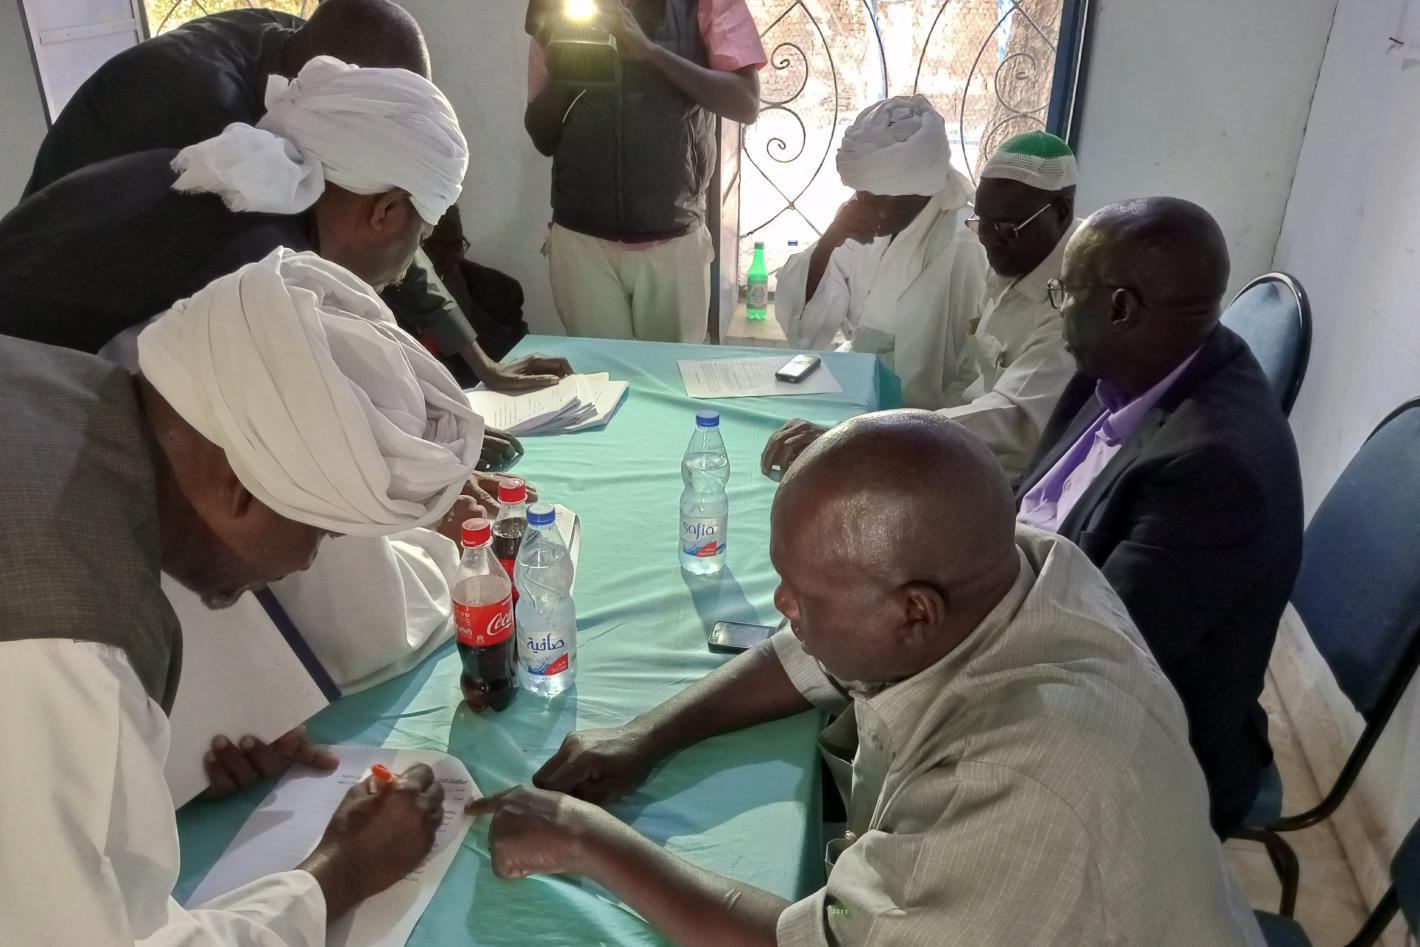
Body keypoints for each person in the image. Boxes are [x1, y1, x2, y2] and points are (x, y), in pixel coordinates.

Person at [469, 411, 1264, 946]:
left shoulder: (1010, 781)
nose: (782, 608)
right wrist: (651, 733)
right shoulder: (1018, 565)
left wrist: (586, 839)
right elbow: (813, 652)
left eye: (801, 596)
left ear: (914, 612)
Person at [0, 248, 482, 944]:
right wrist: (341, 870)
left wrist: (157, 774)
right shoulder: (66, 631)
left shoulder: (58, 382)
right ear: (240, 489)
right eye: (320, 533)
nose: (307, 561)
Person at [20, 0, 566, 396]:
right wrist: (410, 429)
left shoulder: (312, 69)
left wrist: (476, 362)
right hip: (47, 347)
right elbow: (245, 356)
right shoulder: (210, 146)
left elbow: (389, 227)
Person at [1016, 197, 1304, 835]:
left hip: (1135, 744)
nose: (1058, 308)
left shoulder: (1214, 472)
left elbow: (1092, 654)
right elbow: (1036, 498)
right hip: (1054, 631)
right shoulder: (1131, 363)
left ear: (1120, 308)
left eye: (1064, 293)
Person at [764, 129, 1077, 478]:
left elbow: (1011, 418)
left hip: (1010, 473)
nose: (988, 241)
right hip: (947, 433)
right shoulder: (1014, 253)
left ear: (1060, 212)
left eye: (1004, 228)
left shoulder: (1074, 299)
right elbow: (977, 372)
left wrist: (865, 437)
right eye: (982, 224)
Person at [524, 0, 766, 341]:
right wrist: (574, 61)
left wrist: (648, 51)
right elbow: (542, 135)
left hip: (673, 239)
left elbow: (745, 102)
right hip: (581, 242)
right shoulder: (557, 5)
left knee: (671, 370)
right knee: (599, 371)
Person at [774, 95, 987, 410]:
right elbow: (805, 331)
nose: (864, 206)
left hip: (927, 414)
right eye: (861, 195)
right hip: (859, 386)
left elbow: (973, 366)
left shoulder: (961, 242)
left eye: (877, 198)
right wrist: (829, 242)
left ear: (919, 192)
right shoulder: (862, 220)